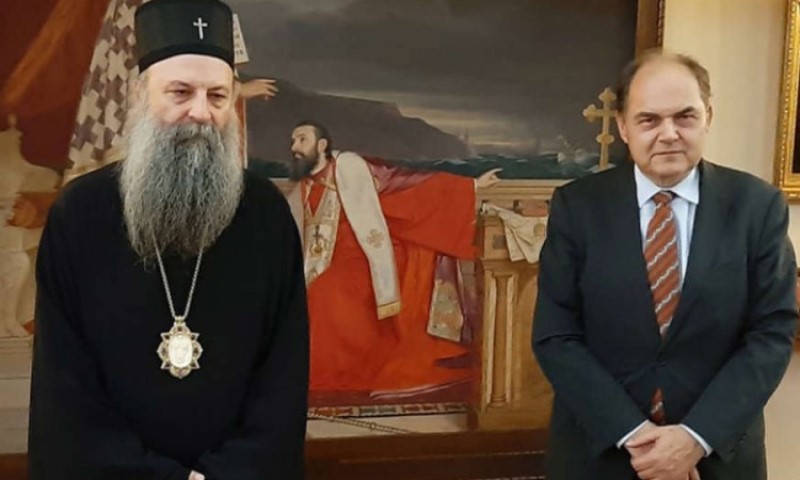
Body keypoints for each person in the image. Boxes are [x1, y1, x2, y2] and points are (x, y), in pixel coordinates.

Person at [28, 1, 308, 479]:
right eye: (180, 92)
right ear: (141, 96)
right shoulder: (80, 215)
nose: (200, 112)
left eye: (217, 96)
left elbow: (283, 383)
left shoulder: (266, 215)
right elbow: (64, 393)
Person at [532, 50, 798, 480]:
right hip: (602, 453)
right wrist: (637, 436)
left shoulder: (758, 207)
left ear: (708, 117)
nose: (669, 134)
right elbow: (555, 335)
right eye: (649, 120)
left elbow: (771, 334)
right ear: (623, 126)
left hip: (717, 456)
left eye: (685, 117)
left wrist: (694, 438)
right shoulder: (577, 208)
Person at [287, 120, 499, 396]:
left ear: (322, 145)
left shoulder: (349, 167)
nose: (294, 147)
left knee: (326, 295)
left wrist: (472, 185)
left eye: (301, 139)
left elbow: (406, 183)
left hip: (365, 258)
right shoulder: (303, 185)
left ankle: (321, 372)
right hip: (324, 261)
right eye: (293, 141)